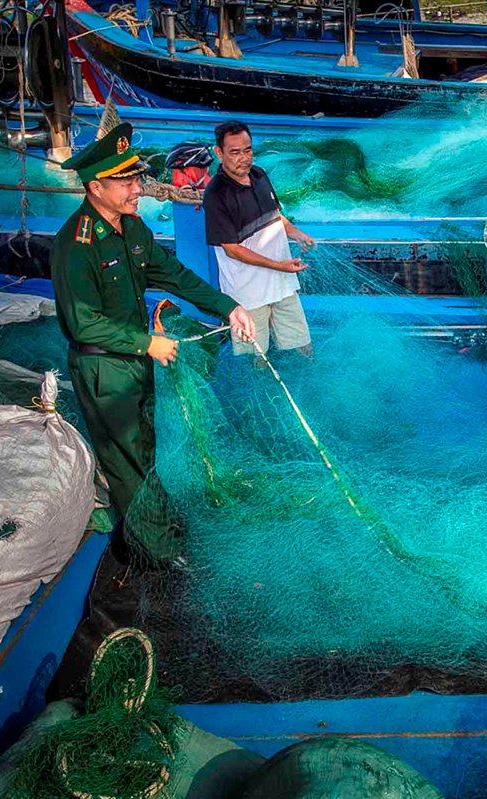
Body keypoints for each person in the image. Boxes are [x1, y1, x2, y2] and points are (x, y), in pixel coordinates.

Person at [50, 122, 257, 565]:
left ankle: (152, 524)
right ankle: (156, 553)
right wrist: (146, 343)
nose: (137, 189)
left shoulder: (133, 229)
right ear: (95, 187)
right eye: (126, 182)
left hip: (135, 363)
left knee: (143, 449)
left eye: (136, 179)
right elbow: (82, 324)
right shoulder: (75, 245)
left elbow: (175, 275)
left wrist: (230, 307)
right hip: (103, 370)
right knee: (126, 460)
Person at [205, 120, 317, 360]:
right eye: (235, 152)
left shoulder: (259, 175)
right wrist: (278, 265)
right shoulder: (216, 194)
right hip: (248, 293)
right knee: (255, 356)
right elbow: (231, 249)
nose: (244, 158)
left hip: (282, 283)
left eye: (248, 150)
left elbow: (276, 217)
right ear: (219, 153)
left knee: (302, 345)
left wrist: (298, 234)